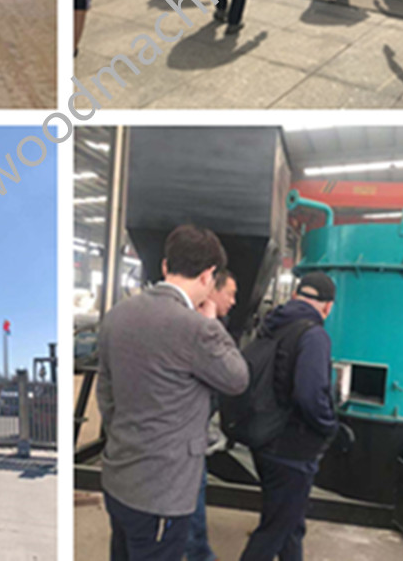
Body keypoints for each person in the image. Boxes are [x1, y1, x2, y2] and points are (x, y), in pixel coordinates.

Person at [98, 225, 249, 561]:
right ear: (209, 276)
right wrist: (213, 323)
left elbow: (106, 397)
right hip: (162, 495)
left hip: (118, 480)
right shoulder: (194, 328)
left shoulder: (116, 317)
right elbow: (237, 378)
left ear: (165, 266)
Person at [239, 273, 342, 561]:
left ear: (296, 296)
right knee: (274, 531)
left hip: (264, 439)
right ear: (328, 306)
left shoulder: (271, 325)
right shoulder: (313, 335)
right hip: (292, 448)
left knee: (289, 523)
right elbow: (310, 394)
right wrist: (329, 427)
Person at [186, 268, 239, 561]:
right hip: (185, 437)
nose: (233, 300)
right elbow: (236, 377)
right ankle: (198, 554)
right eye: (229, 293)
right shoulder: (196, 327)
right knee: (193, 491)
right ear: (210, 288)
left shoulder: (218, 323)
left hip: (200, 429)